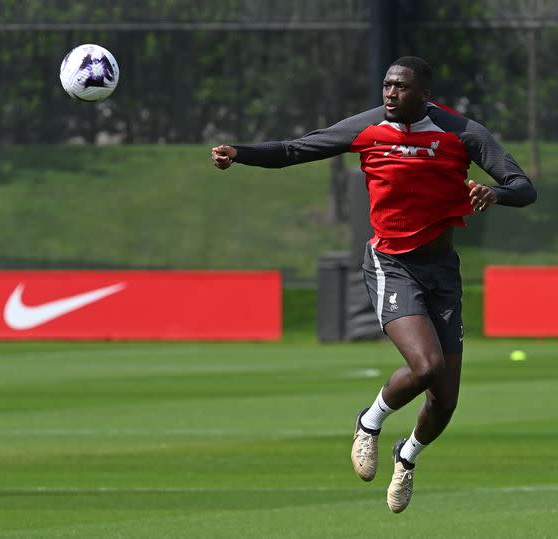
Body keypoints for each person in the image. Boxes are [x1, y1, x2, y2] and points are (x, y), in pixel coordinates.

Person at [211, 56, 536, 513]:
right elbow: (294, 150)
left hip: (442, 270)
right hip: (392, 263)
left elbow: (524, 187)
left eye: (400, 87)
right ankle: (369, 423)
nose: (389, 93)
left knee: (445, 402)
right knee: (426, 366)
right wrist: (239, 153)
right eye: (386, 85)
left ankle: (407, 456)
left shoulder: (462, 133)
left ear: (424, 95)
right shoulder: (367, 128)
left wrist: (495, 192)